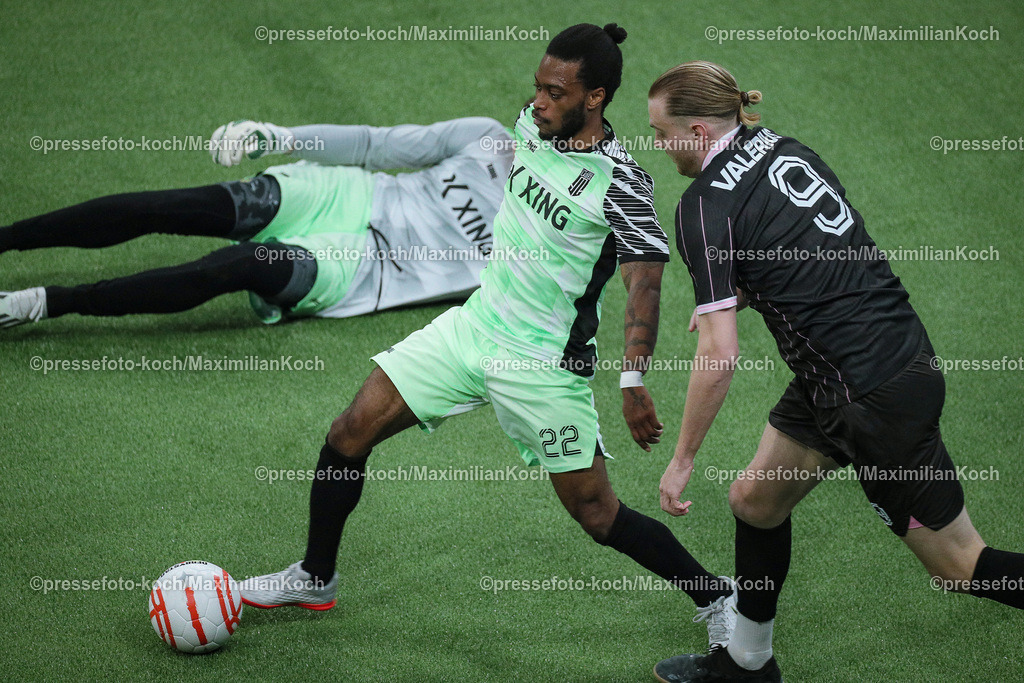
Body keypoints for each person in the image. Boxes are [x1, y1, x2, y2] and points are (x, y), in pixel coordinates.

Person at [239, 24, 739, 654]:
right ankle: (314, 577)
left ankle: (719, 596)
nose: (539, 102)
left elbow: (646, 286)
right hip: (474, 326)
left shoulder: (622, 185)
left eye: (556, 92)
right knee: (349, 432)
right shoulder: (530, 128)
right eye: (537, 86)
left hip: (542, 364)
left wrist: (632, 377)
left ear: (596, 97)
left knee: (598, 515)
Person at [646, 61, 1024, 682]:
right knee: (754, 501)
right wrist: (740, 293)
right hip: (881, 362)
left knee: (960, 566)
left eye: (663, 135)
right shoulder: (788, 150)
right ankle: (748, 662)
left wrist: (683, 457)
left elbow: (719, 358)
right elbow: (813, 250)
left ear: (697, 131)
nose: (660, 148)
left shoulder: (704, 210)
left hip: (867, 402)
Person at [0, 116, 513, 328]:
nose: (534, 109)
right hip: (348, 196)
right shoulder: (489, 137)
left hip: (366, 269)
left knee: (235, 264)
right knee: (173, 206)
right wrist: (280, 136)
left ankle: (48, 302)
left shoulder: (549, 245)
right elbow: (372, 146)